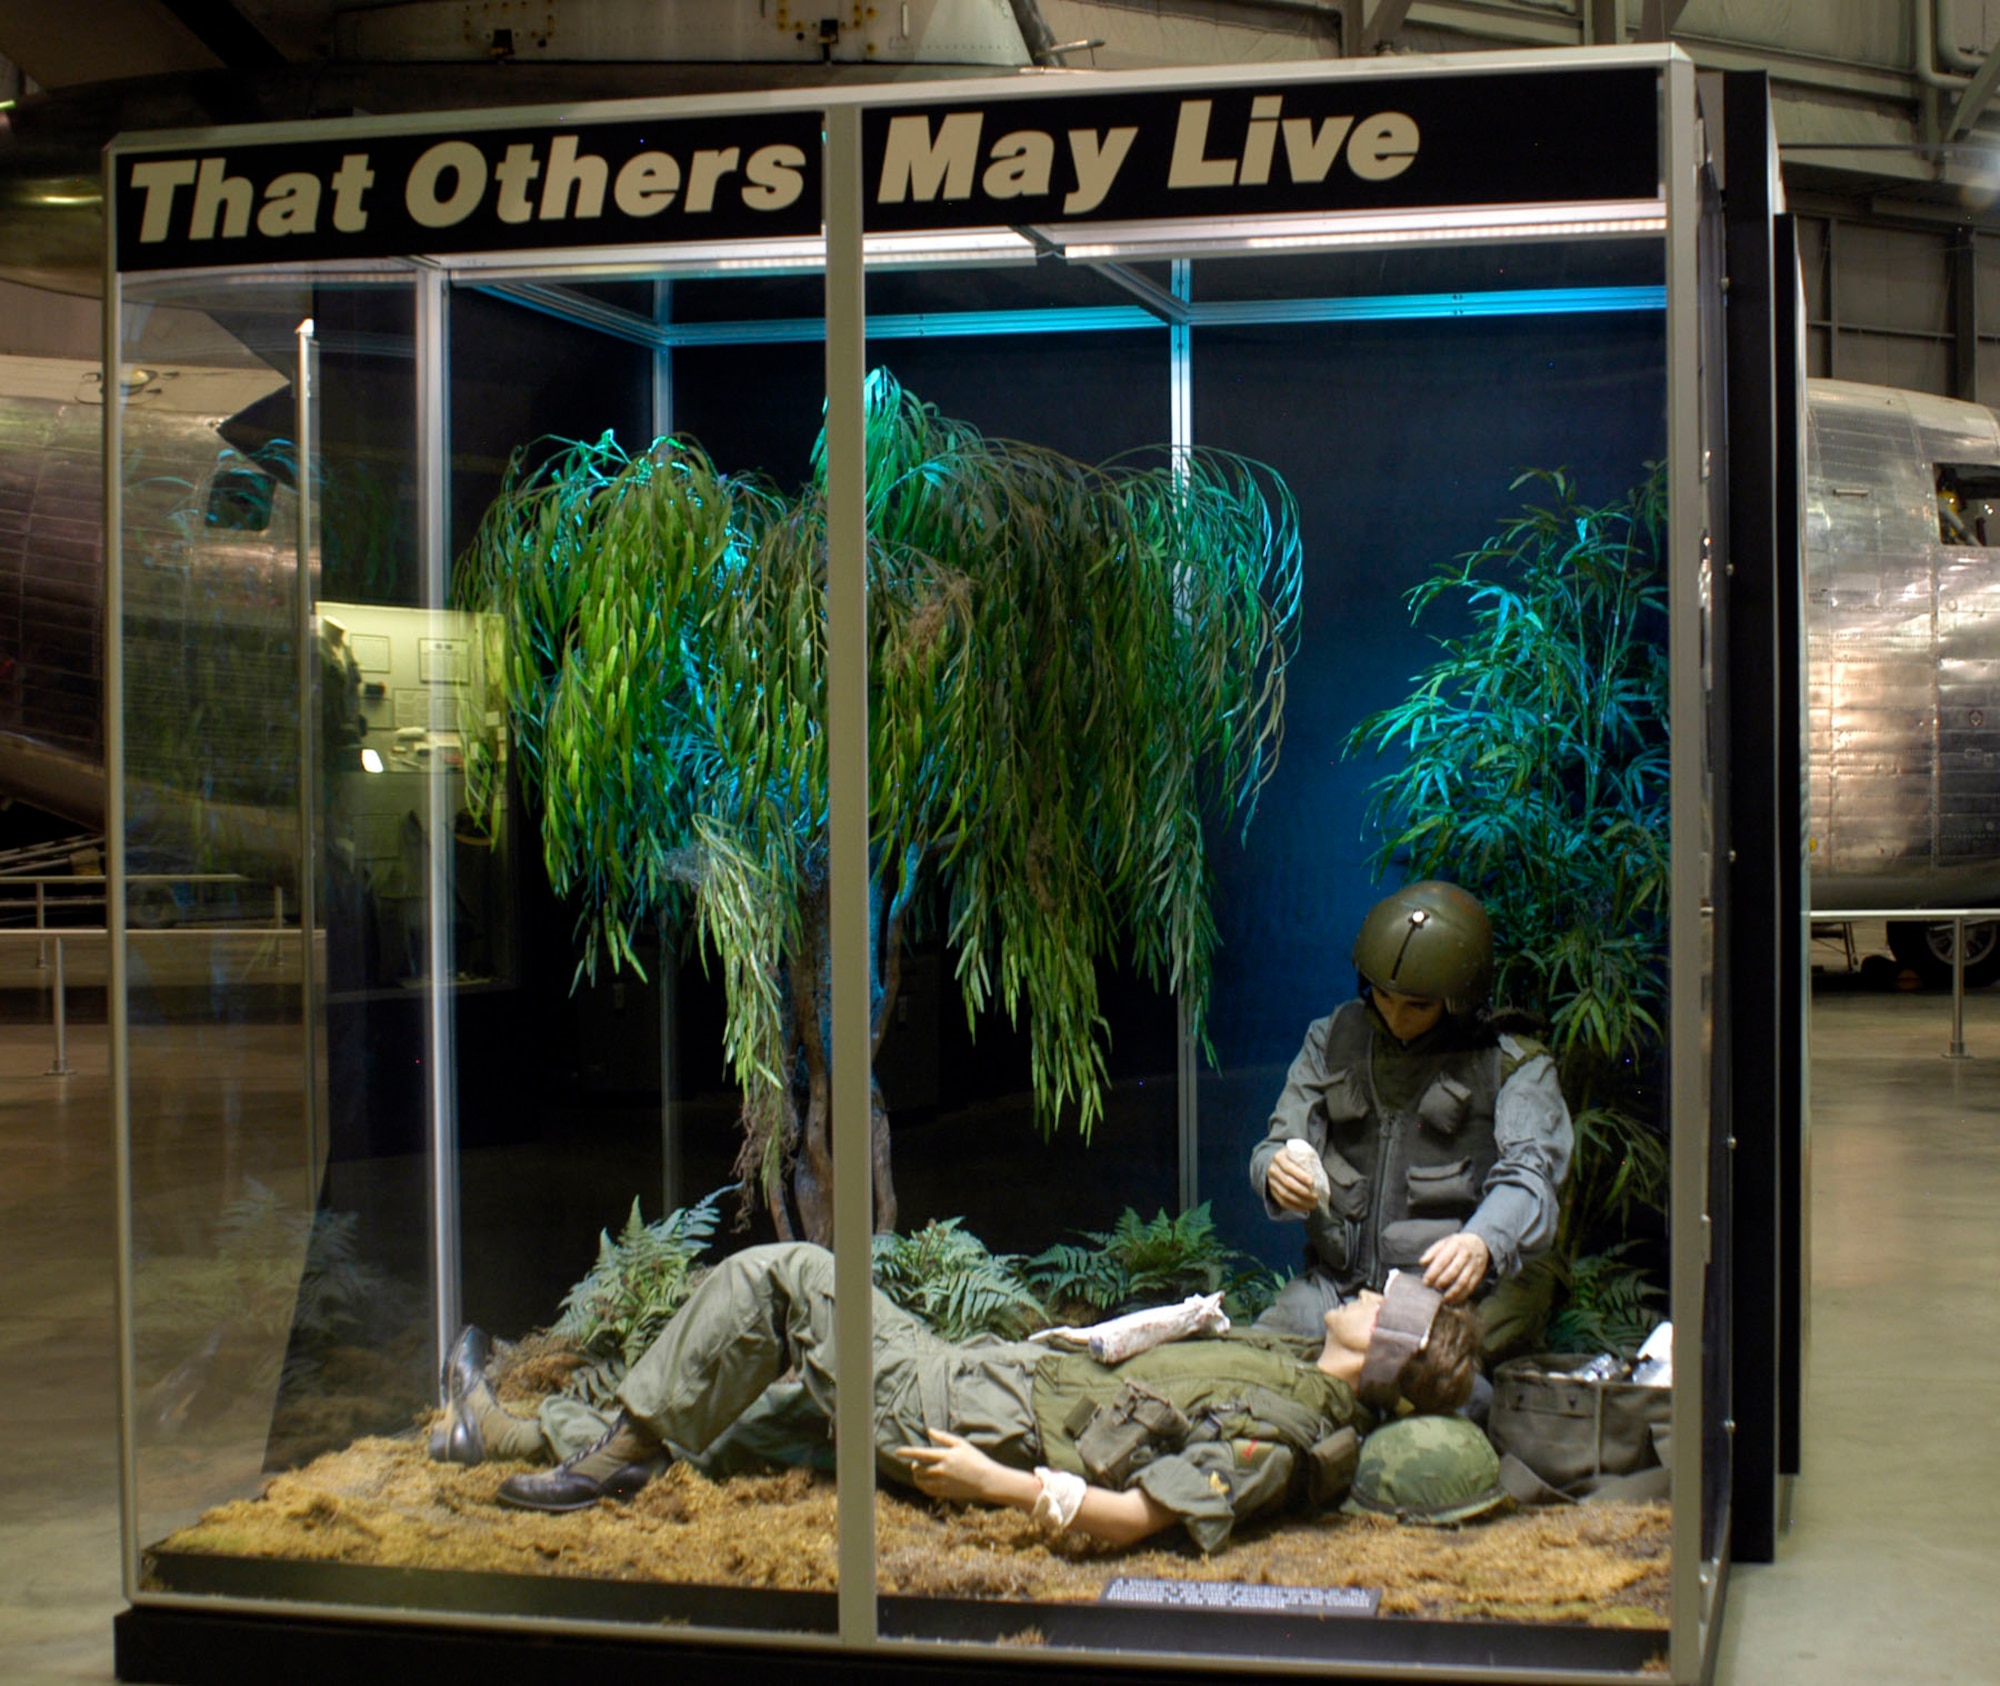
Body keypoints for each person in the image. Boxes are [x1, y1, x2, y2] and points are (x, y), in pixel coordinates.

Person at [431, 1243, 1478, 1554]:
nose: (1360, 1293)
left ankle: (606, 1462)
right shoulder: (1284, 1365)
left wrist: (999, 1488)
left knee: (787, 1275)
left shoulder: (1286, 1430)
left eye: (1379, 1302)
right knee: (752, 1426)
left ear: (1382, 1347)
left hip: (963, 1414)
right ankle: (499, 1431)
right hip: (980, 1377)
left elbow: (1134, 1515)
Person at [1249, 880, 1572, 1341]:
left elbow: (1532, 1176)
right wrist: (1274, 1171)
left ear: (1458, 999)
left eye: (1418, 1006)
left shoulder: (1513, 1066)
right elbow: (1278, 1144)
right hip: (1338, 1290)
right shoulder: (1331, 1039)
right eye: (1383, 997)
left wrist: (1483, 1241)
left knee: (1438, 1387)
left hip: (1453, 1299)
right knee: (1262, 1359)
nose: (1397, 1019)